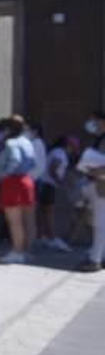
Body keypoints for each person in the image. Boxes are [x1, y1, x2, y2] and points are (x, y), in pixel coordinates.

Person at [0, 115, 38, 265]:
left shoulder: (11, 142)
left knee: (14, 221)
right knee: (28, 220)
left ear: (8, 129)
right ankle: (27, 251)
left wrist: (3, 174)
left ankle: (17, 252)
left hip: (13, 182)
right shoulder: (28, 142)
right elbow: (33, 162)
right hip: (27, 180)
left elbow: (15, 160)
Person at [76, 113, 105, 273]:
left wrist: (95, 170)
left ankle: (95, 260)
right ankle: (99, 256)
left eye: (95, 121)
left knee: (100, 224)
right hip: (97, 183)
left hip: (102, 184)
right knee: (100, 223)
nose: (92, 123)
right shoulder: (99, 139)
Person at [37, 134, 71, 251]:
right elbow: (53, 168)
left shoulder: (56, 151)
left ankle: (42, 236)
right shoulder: (60, 153)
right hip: (49, 185)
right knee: (48, 213)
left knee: (43, 212)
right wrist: (59, 181)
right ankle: (51, 238)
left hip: (45, 184)